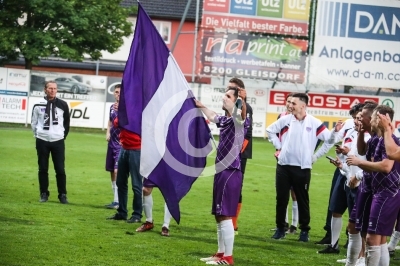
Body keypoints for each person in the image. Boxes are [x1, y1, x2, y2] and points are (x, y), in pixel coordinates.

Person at [266, 93, 333, 242]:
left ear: (303, 106)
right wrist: (279, 147)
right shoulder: (286, 119)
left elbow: (329, 140)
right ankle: (280, 228)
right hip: (283, 166)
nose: (290, 106)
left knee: (302, 199)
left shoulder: (314, 122)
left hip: (302, 168)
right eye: (290, 103)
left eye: (294, 104)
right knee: (281, 199)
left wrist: (315, 156)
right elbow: (269, 130)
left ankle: (304, 230)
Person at [197, 86, 248, 266]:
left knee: (225, 215)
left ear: (237, 101)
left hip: (230, 171)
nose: (223, 98)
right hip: (221, 171)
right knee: (219, 214)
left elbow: (240, 115)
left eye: (228, 96)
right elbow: (212, 116)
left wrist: (239, 102)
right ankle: (220, 253)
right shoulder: (227, 119)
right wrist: (199, 104)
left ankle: (228, 257)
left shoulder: (240, 120)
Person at [347, 105, 400, 265]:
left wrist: (358, 163)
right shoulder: (376, 139)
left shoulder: (390, 140)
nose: (369, 120)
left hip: (387, 193)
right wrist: (361, 133)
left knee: (372, 238)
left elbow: (386, 166)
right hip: (377, 191)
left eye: (374, 117)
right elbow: (364, 152)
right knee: (377, 239)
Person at [317, 104, 361, 254]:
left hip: (357, 177)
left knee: (355, 215)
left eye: (358, 117)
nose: (356, 120)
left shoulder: (368, 135)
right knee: (335, 209)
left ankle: (354, 248)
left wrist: (347, 153)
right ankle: (333, 245)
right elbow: (331, 139)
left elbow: (363, 158)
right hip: (343, 172)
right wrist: (335, 132)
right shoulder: (349, 126)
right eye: (354, 117)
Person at [31, 80, 70, 203]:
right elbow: (34, 122)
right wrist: (38, 134)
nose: (53, 91)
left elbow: (66, 123)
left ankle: (62, 194)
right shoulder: (38, 104)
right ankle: (44, 193)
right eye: (50, 88)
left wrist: (61, 136)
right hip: (42, 140)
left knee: (60, 169)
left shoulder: (63, 104)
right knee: (43, 168)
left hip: (58, 141)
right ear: (45, 89)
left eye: (55, 89)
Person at [227, 77, 253, 235]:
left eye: (232, 88)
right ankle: (228, 220)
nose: (228, 90)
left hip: (239, 154)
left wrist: (237, 151)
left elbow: (247, 133)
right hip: (228, 152)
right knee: (228, 186)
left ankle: (233, 224)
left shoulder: (246, 107)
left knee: (236, 186)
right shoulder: (229, 106)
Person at [107, 112, 143, 223]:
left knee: (136, 184)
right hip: (124, 147)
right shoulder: (127, 108)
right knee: (121, 182)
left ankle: (137, 214)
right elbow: (116, 123)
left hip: (136, 149)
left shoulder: (140, 110)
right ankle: (122, 212)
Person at [104, 84, 121, 209]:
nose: (118, 94)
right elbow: (110, 121)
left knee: (117, 170)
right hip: (112, 142)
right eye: (116, 92)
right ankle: (115, 200)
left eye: (120, 92)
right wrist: (108, 132)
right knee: (111, 170)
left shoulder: (128, 107)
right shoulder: (111, 107)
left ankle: (118, 201)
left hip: (122, 144)